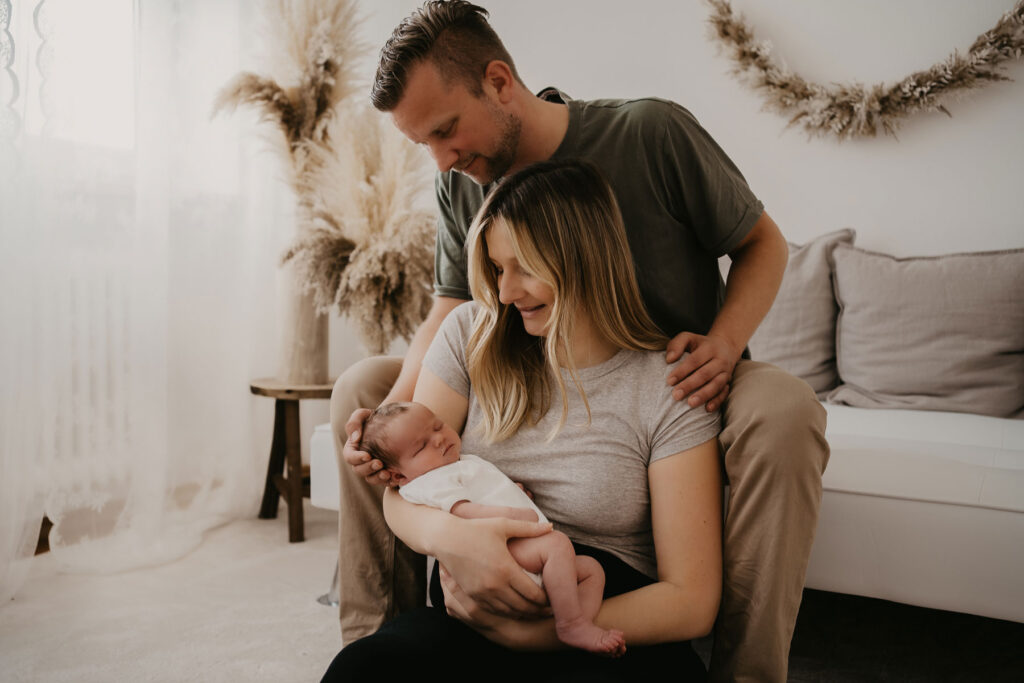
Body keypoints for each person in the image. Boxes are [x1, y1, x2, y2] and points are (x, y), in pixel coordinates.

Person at [331, 2, 829, 680]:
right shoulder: (460, 186)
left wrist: (723, 341)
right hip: (522, 361)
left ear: (499, 82)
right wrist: (392, 418)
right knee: (360, 393)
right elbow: (455, 304)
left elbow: (761, 243)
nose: (442, 159)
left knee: (784, 410)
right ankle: (381, 628)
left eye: (446, 130)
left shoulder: (648, 133)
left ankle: (744, 673)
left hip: (684, 365)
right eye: (425, 145)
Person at [323, 158, 721, 682]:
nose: (505, 292)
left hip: (602, 618)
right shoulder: (471, 335)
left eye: (525, 268)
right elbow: (404, 493)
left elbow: (691, 600)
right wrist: (453, 539)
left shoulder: (667, 384)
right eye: (497, 268)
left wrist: (538, 634)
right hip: (470, 619)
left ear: (586, 260)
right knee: (364, 669)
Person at [359, 400, 627, 656]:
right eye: (421, 447)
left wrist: (514, 493)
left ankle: (576, 623)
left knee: (592, 570)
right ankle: (571, 625)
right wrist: (508, 513)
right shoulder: (429, 482)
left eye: (438, 426)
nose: (439, 438)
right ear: (398, 476)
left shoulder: (459, 463)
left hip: (522, 549)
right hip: (502, 551)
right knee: (557, 545)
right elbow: (464, 511)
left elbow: (484, 489)